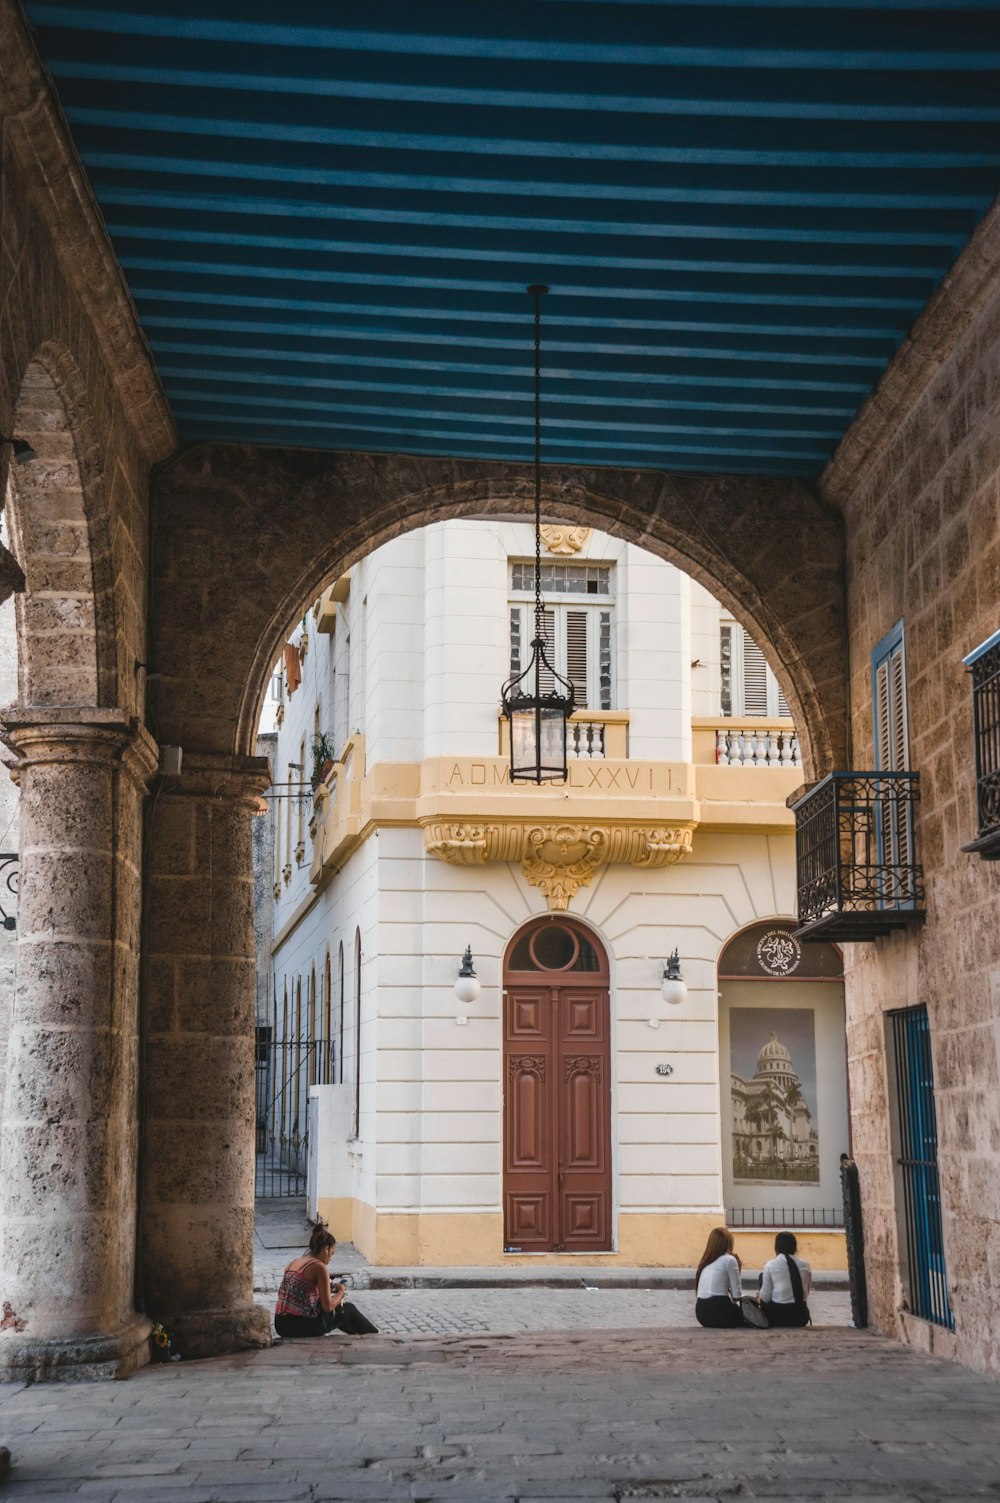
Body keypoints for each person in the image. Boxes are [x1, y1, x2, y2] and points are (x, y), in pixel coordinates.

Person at [273, 1221, 378, 1337]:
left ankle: (357, 1334)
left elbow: (303, 1295)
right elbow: (327, 1307)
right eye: (332, 1253)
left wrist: (327, 1288)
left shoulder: (294, 1262)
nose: (331, 1258)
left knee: (339, 1313)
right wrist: (341, 1291)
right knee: (348, 1309)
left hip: (280, 1324)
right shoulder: (319, 1267)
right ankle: (375, 1336)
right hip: (298, 1325)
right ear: (326, 1249)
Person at [694, 1226, 749, 1328]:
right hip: (719, 1311)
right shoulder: (730, 1260)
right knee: (751, 1319)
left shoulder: (705, 1263)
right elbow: (737, 1296)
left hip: (701, 1314)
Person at [758, 1231, 812, 1328]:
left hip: (776, 1317)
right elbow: (806, 1293)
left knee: (762, 1277)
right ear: (795, 1248)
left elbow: (766, 1297)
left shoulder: (770, 1265)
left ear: (776, 1248)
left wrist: (760, 1295)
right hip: (800, 1317)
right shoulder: (806, 1266)